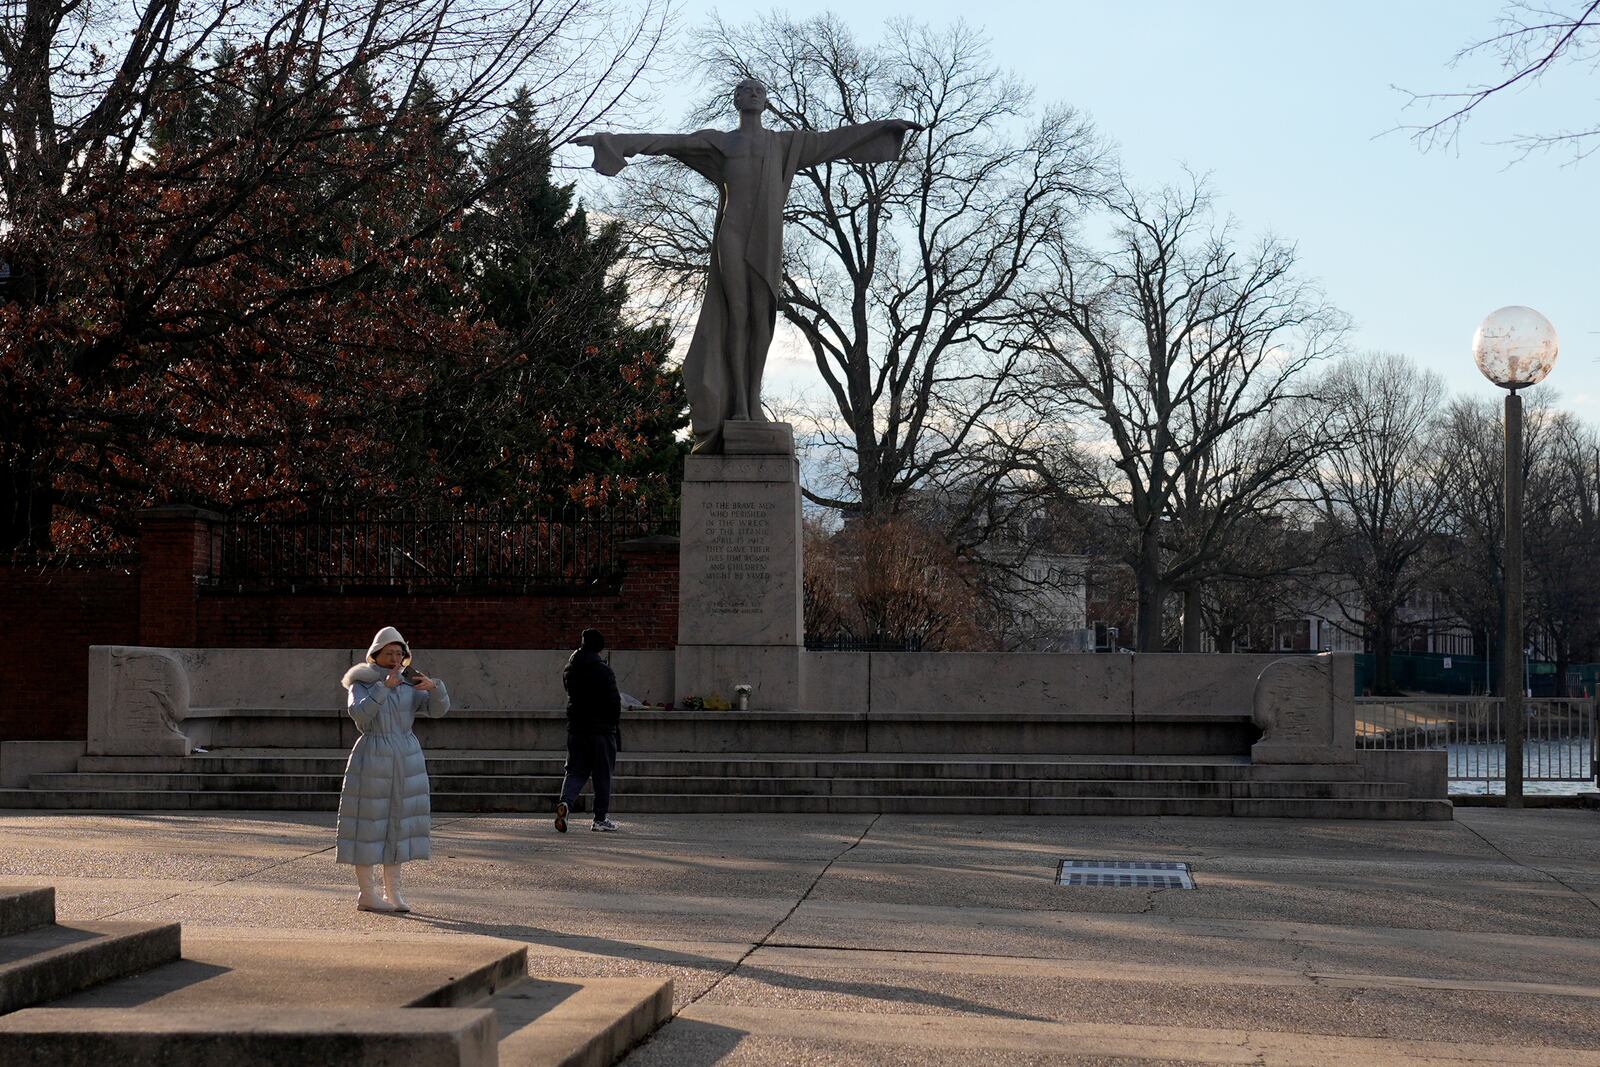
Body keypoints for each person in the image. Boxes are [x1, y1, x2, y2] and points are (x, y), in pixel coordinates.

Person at [576, 79, 920, 453]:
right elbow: (665, 141)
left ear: (767, 102)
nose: (753, 93)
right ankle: (740, 406)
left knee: (762, 317)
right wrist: (609, 140)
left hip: (766, 238)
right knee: (736, 315)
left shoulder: (785, 144)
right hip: (733, 234)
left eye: (759, 90)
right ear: (736, 101)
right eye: (745, 90)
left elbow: (834, 140)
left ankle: (753, 399)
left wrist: (884, 128)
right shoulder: (720, 142)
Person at [336, 626, 450, 912]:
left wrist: (434, 688)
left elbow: (438, 711)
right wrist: (383, 688)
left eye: (400, 653)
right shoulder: (361, 682)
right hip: (373, 756)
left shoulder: (409, 684)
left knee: (397, 824)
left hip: (406, 757)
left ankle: (393, 893)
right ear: (376, 655)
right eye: (389, 653)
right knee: (368, 824)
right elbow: (360, 715)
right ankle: (367, 893)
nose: (396, 658)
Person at [556, 627, 622, 833]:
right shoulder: (603, 671)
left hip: (577, 728)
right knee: (602, 775)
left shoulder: (570, 668)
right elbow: (614, 702)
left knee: (575, 770)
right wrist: (613, 725)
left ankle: (566, 803)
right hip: (601, 730)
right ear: (599, 648)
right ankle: (600, 818)